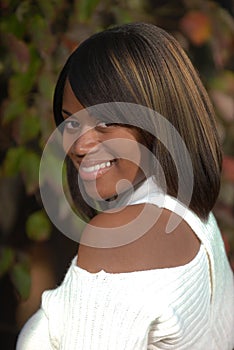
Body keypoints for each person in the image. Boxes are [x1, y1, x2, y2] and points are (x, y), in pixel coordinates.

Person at [17, 22, 234, 349]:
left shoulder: (121, 236)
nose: (79, 145)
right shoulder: (192, 214)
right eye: (72, 122)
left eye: (105, 122)